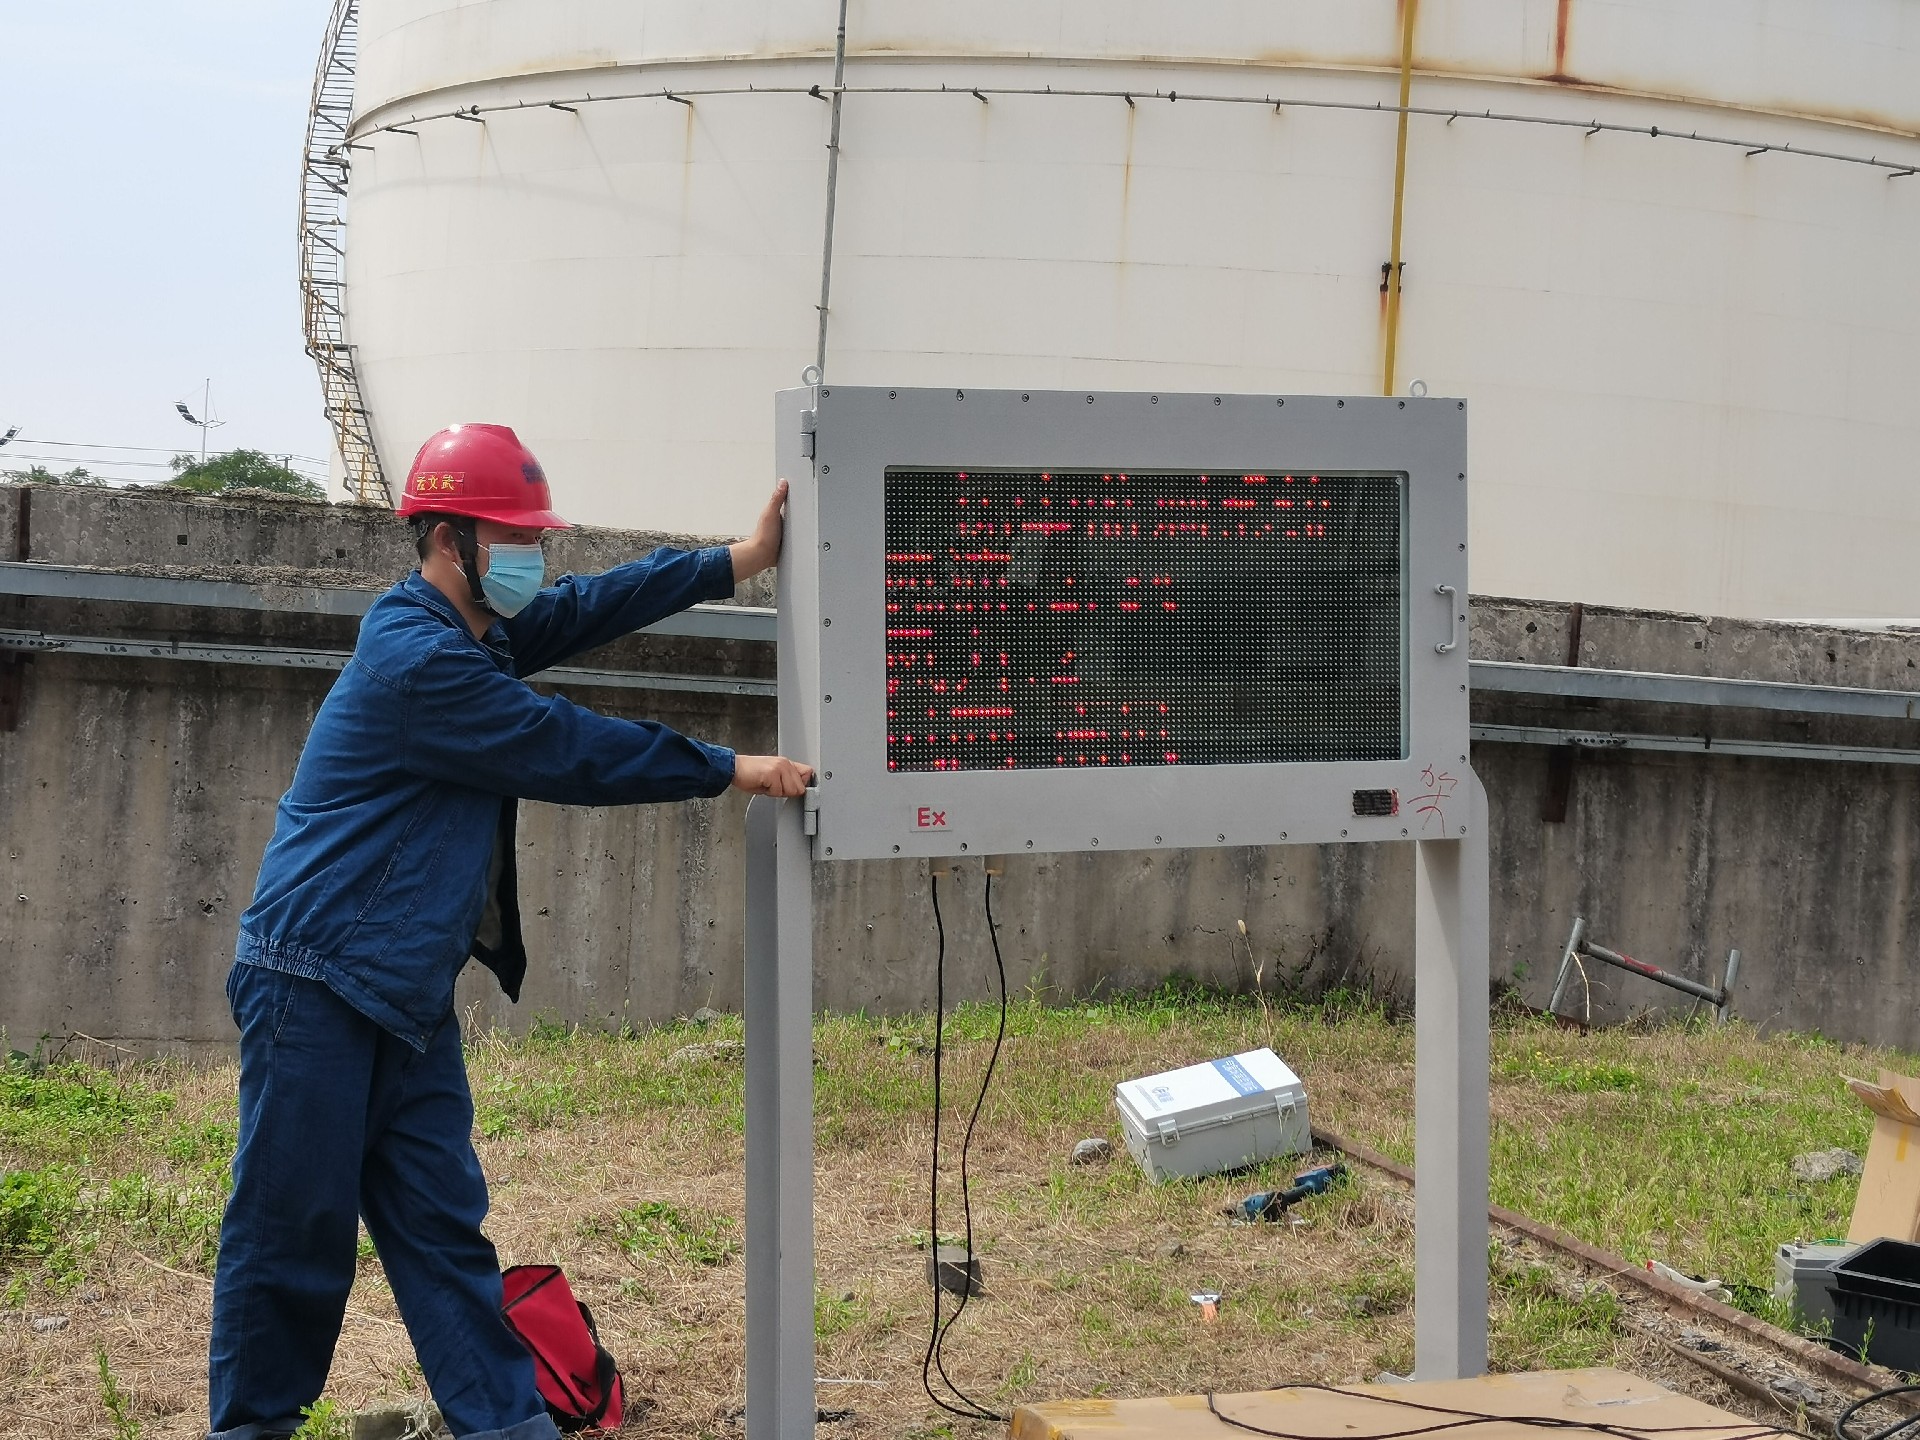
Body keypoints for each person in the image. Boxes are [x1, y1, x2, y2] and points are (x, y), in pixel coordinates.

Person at [206, 423, 811, 1440]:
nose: (535, 559)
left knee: (444, 1237)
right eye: (513, 538)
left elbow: (588, 605)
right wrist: (727, 766)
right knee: (291, 1242)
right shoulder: (419, 661)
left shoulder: (474, 629)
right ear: (450, 541)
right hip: (313, 982)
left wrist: (736, 563)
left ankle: (509, 1428)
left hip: (400, 995)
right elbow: (558, 746)